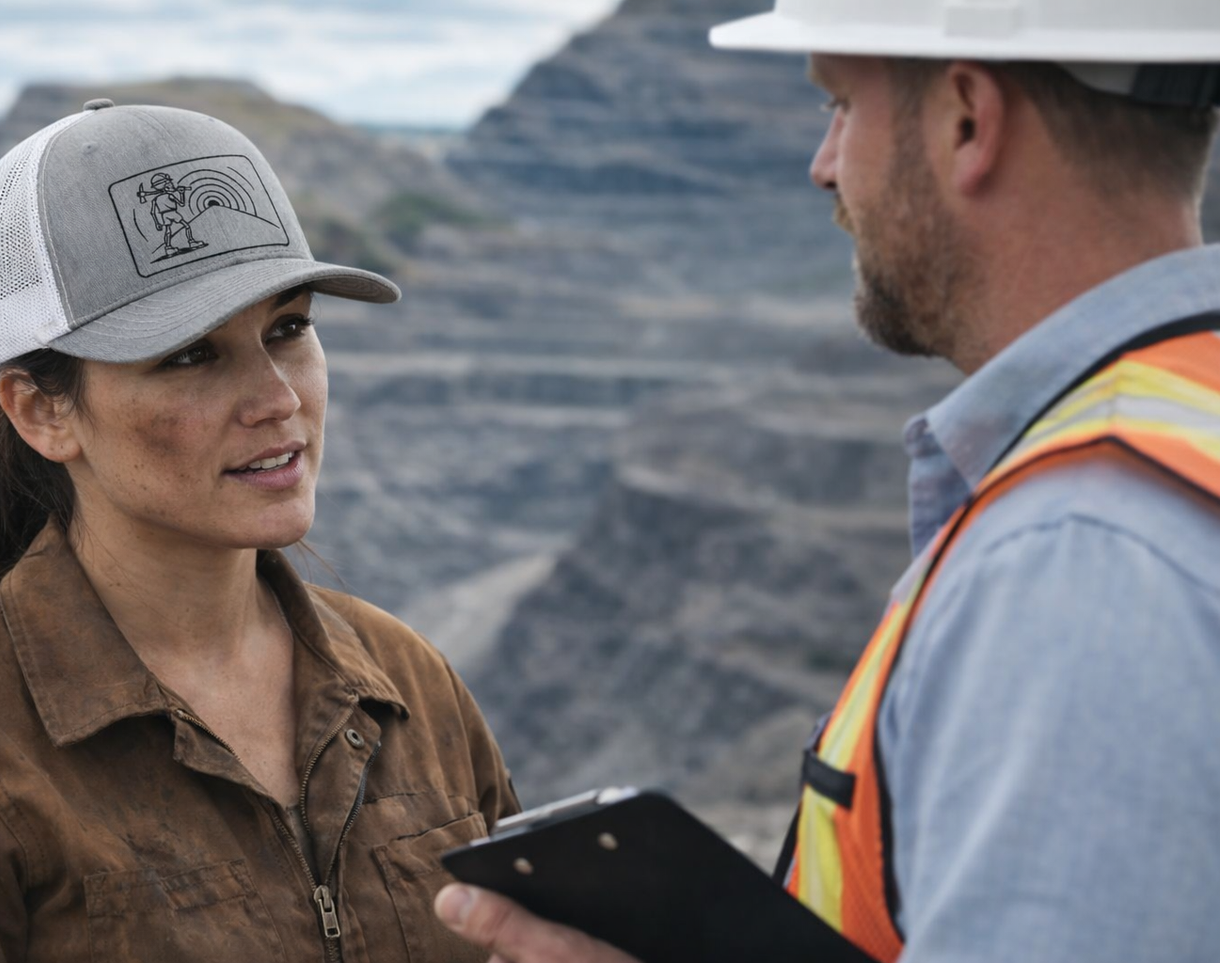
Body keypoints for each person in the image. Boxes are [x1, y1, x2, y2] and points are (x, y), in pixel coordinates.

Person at [435, 1, 1220, 961]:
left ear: (966, 119)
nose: (822, 165)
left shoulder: (1078, 563)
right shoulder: (1181, 429)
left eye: (840, 104)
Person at [0, 99, 518, 962]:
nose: (278, 398)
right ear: (43, 411)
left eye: (288, 328)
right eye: (190, 354)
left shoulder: (407, 681)